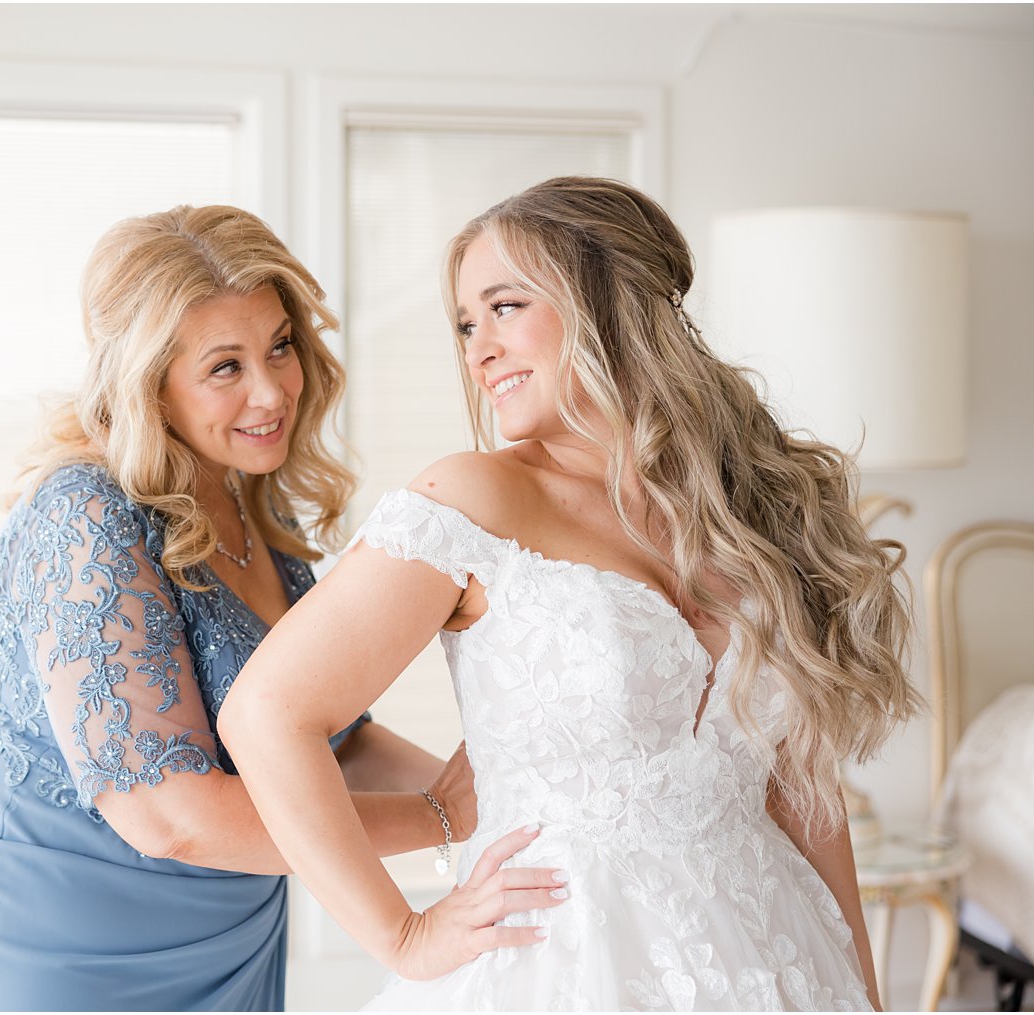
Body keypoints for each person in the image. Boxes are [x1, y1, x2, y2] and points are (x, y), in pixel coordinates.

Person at [220, 177, 919, 1011]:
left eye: (504, 306)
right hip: (564, 967)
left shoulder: (750, 512)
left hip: (778, 957)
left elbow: (804, 790)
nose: (478, 349)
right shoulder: (474, 501)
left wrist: (867, 992)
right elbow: (264, 713)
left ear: (607, 304)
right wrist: (403, 935)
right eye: (465, 324)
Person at [0, 205, 520, 1011]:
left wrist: (500, 786)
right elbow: (170, 814)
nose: (272, 391)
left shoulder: (250, 498)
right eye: (225, 367)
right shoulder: (82, 517)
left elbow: (334, 742)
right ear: (149, 381)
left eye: (280, 347)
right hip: (50, 941)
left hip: (227, 938)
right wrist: (438, 815)